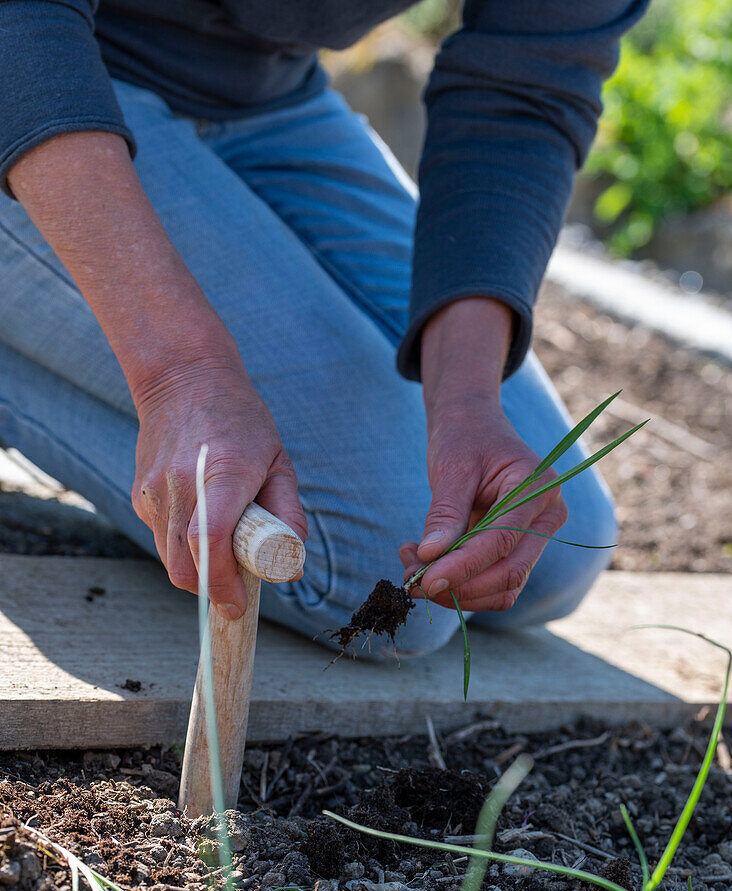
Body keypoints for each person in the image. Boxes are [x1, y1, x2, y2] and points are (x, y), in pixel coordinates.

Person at [0, 1, 645, 659]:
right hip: (40, 69)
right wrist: (180, 373)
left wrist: (467, 400)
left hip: (267, 99)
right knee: (367, 570)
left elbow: (527, 80)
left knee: (551, 549)